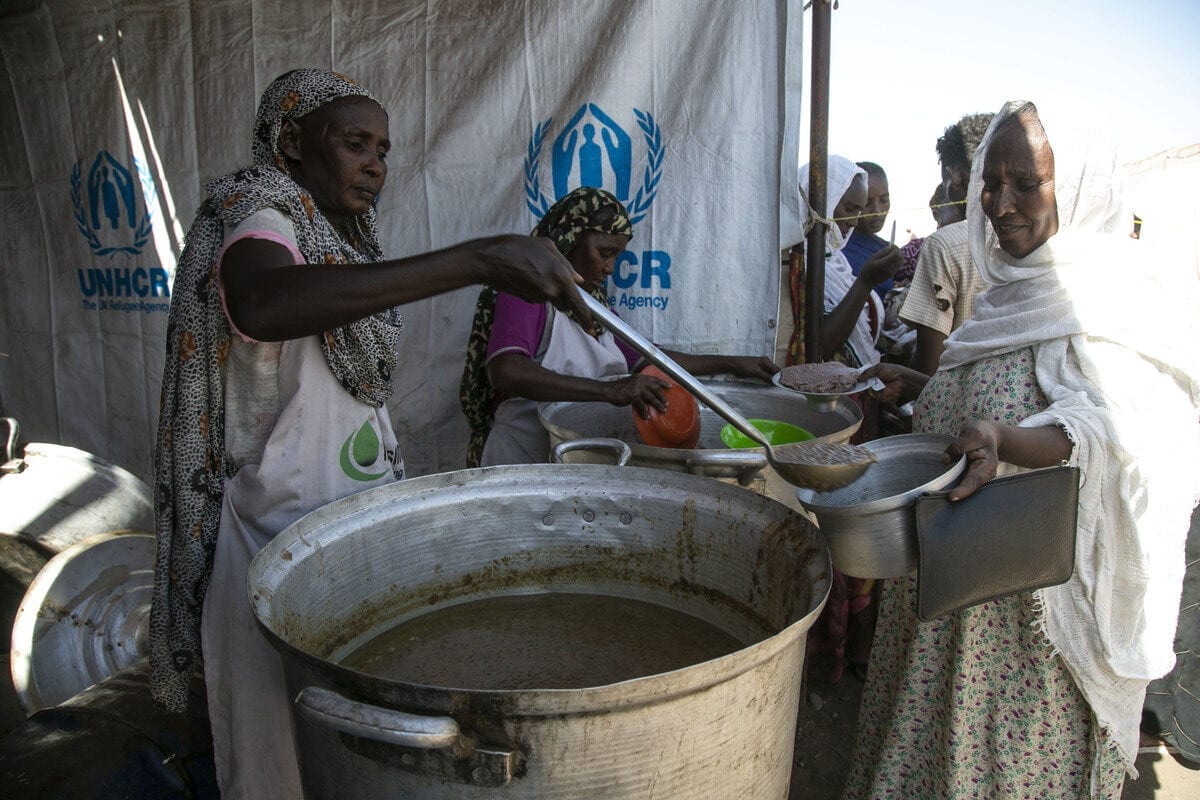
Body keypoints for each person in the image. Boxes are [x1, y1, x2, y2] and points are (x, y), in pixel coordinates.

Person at [150, 68, 592, 800]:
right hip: (272, 543)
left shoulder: (337, 243)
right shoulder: (256, 211)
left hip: (342, 528)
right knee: (280, 759)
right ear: (292, 140)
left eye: (383, 149)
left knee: (352, 752)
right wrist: (475, 260)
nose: (375, 164)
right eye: (355, 142)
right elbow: (262, 300)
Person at [844, 100, 1200, 799]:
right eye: (991, 181)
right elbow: (994, 400)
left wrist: (1014, 442)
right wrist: (923, 387)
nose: (999, 204)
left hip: (1025, 636)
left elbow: (1133, 437)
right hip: (947, 604)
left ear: (1078, 189)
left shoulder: (1112, 304)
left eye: (1026, 184)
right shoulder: (1010, 296)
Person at [461, 186, 777, 466]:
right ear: (570, 238)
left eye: (616, 256)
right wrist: (609, 390)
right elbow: (506, 371)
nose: (610, 267)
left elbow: (651, 360)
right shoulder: (525, 292)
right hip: (522, 457)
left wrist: (733, 364)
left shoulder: (595, 307)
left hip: (571, 460)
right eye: (605, 253)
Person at [782, 155, 902, 369]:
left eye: (858, 210)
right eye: (849, 209)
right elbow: (818, 347)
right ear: (823, 203)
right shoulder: (797, 261)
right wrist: (865, 282)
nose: (855, 221)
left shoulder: (835, 259)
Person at [899, 113, 994, 375]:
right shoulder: (1037, 239)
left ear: (956, 176)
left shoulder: (945, 244)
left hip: (957, 402)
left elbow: (930, 366)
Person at [842, 161, 893, 299]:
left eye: (884, 200)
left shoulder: (884, 247)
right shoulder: (839, 251)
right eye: (868, 202)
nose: (877, 211)